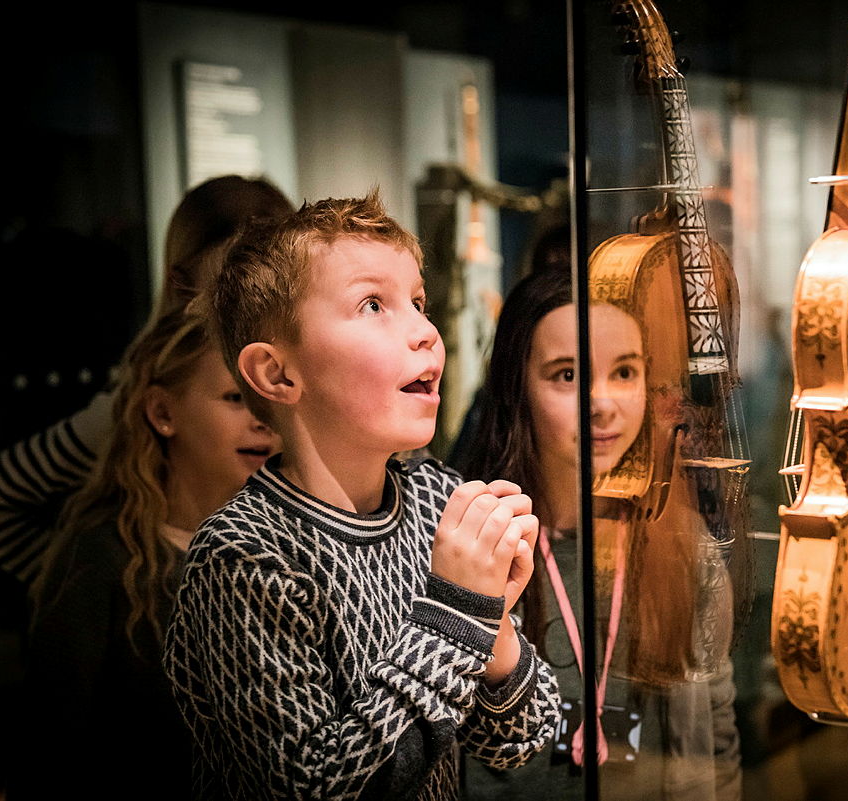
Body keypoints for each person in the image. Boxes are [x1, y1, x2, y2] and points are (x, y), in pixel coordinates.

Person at [161, 190, 561, 800]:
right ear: (277, 374)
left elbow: (524, 739)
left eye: (418, 302)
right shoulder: (244, 557)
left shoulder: (437, 498)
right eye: (373, 304)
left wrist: (494, 624)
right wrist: (455, 615)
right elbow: (316, 786)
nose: (425, 332)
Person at [457, 266, 742, 800]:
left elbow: (715, 740)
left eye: (625, 372)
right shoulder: (474, 550)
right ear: (517, 387)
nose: (602, 402)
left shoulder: (681, 545)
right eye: (567, 375)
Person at [0, 174, 295, 584]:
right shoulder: (130, 407)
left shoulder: (309, 386)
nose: (250, 307)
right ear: (185, 287)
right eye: (229, 287)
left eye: (274, 283)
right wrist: (90, 582)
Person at [10, 304, 278, 800]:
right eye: (236, 398)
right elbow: (49, 748)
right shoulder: (104, 555)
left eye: (269, 400)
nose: (263, 421)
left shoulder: (282, 551)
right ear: (162, 412)